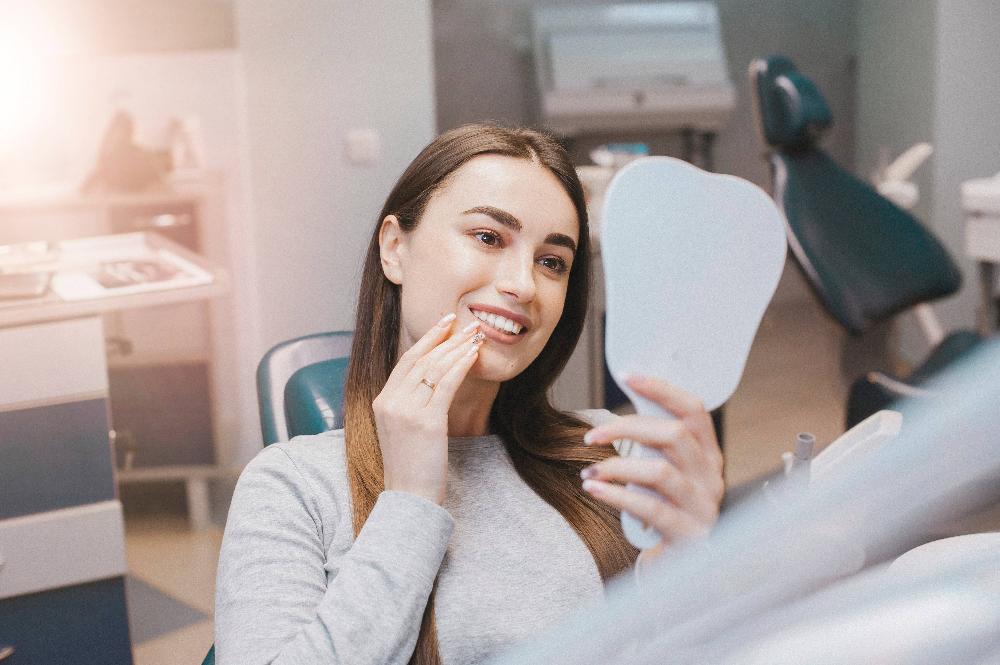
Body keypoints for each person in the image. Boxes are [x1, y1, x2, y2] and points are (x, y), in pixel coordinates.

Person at [214, 123, 725, 665]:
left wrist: (691, 572)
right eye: (488, 237)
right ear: (394, 248)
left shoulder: (608, 457)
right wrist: (409, 501)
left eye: (552, 262)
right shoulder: (293, 487)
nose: (524, 285)